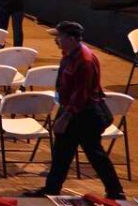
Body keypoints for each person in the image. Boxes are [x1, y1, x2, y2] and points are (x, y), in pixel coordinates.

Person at [23, 21, 125, 200]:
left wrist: (65, 117)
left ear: (71, 38)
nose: (56, 40)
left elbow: (82, 94)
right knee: (63, 152)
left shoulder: (84, 60)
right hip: (75, 110)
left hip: (84, 114)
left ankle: (116, 192)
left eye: (59, 37)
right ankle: (52, 189)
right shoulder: (70, 53)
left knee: (94, 154)